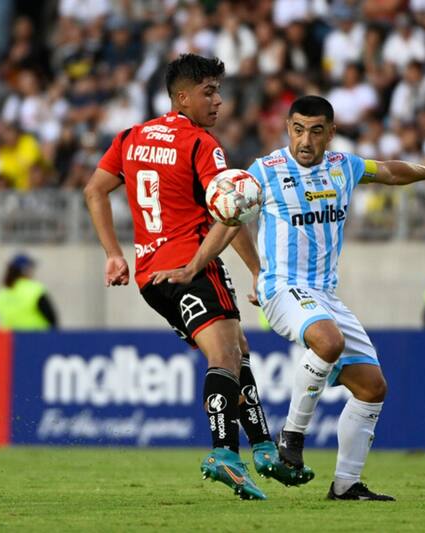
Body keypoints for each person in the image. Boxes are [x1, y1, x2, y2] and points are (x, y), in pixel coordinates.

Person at [153, 95, 425, 501]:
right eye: (298, 129)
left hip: (325, 296)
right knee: (329, 341)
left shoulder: (344, 167)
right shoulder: (264, 171)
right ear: (288, 128)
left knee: (373, 388)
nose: (306, 140)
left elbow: (388, 170)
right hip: (281, 286)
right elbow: (228, 222)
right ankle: (292, 438)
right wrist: (194, 267)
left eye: (316, 131)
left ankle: (346, 485)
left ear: (330, 133)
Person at [83, 54, 310, 501]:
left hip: (152, 276)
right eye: (209, 92)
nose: (219, 101)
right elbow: (232, 212)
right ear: (182, 97)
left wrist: (113, 254)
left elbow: (94, 190)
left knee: (237, 349)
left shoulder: (131, 137)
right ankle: (224, 454)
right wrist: (259, 270)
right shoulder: (200, 144)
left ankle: (263, 446)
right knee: (225, 355)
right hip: (192, 265)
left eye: (219, 91)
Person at [0, 253, 58, 330]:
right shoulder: (35, 289)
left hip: (11, 339)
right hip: (37, 338)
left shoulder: (0, 294)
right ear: (25, 270)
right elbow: (52, 318)